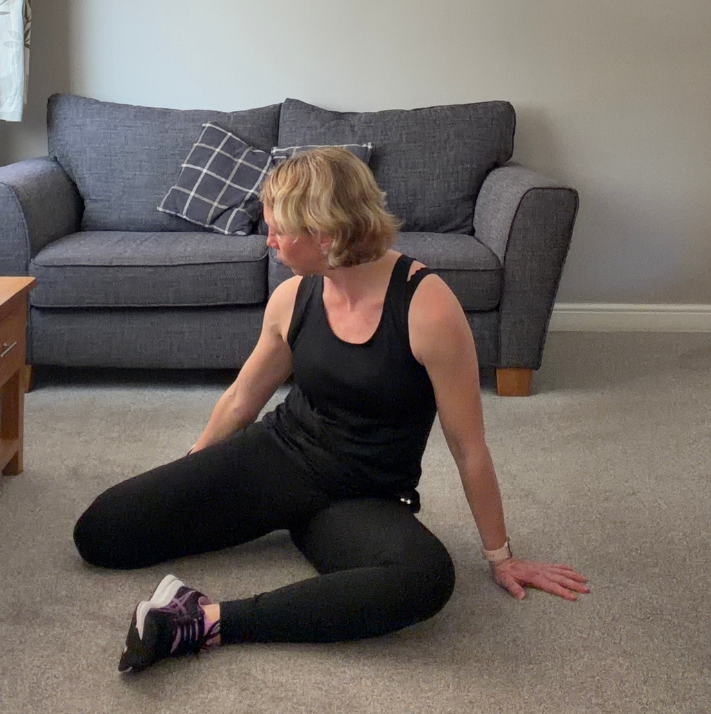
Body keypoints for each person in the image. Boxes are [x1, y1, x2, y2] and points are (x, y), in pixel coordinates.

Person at [73, 148, 588, 673]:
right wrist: (194, 471)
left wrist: (501, 556)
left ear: (326, 234)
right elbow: (242, 399)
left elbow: (467, 443)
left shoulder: (427, 308)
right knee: (100, 533)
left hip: (360, 493)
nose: (268, 241)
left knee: (426, 578)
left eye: (279, 230)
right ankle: (280, 516)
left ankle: (200, 622)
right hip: (280, 454)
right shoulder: (293, 297)